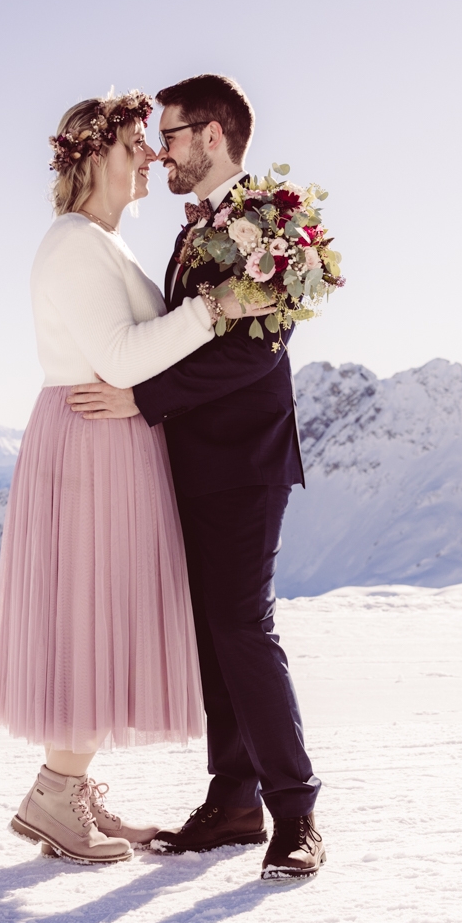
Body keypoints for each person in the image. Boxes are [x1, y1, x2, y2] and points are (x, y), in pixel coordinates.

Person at [0, 89, 270, 864]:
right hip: (89, 440)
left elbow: (142, 347)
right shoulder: (77, 242)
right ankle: (55, 794)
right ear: (98, 158)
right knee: (86, 610)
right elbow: (121, 357)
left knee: (97, 609)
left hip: (108, 438)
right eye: (136, 145)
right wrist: (218, 308)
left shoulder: (102, 242)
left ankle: (62, 790)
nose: (151, 157)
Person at [66, 74, 326, 880]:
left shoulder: (270, 223)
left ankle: (297, 814)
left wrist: (141, 397)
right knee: (217, 633)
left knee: (244, 627)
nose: (159, 149)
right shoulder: (196, 233)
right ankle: (234, 802)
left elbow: (255, 349)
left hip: (246, 462)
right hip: (192, 462)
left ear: (213, 136)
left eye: (171, 134)